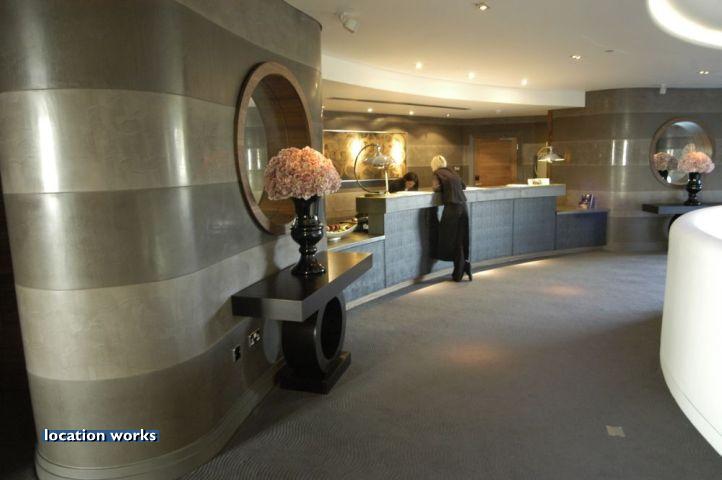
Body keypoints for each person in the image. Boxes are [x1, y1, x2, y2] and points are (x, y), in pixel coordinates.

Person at [431, 155, 471, 282]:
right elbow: (463, 186)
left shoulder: (437, 174)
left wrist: (443, 189)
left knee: (449, 239)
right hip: (463, 207)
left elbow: (435, 188)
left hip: (452, 208)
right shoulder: (452, 172)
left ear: (433, 165)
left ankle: (460, 270)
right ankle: (461, 268)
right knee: (460, 239)